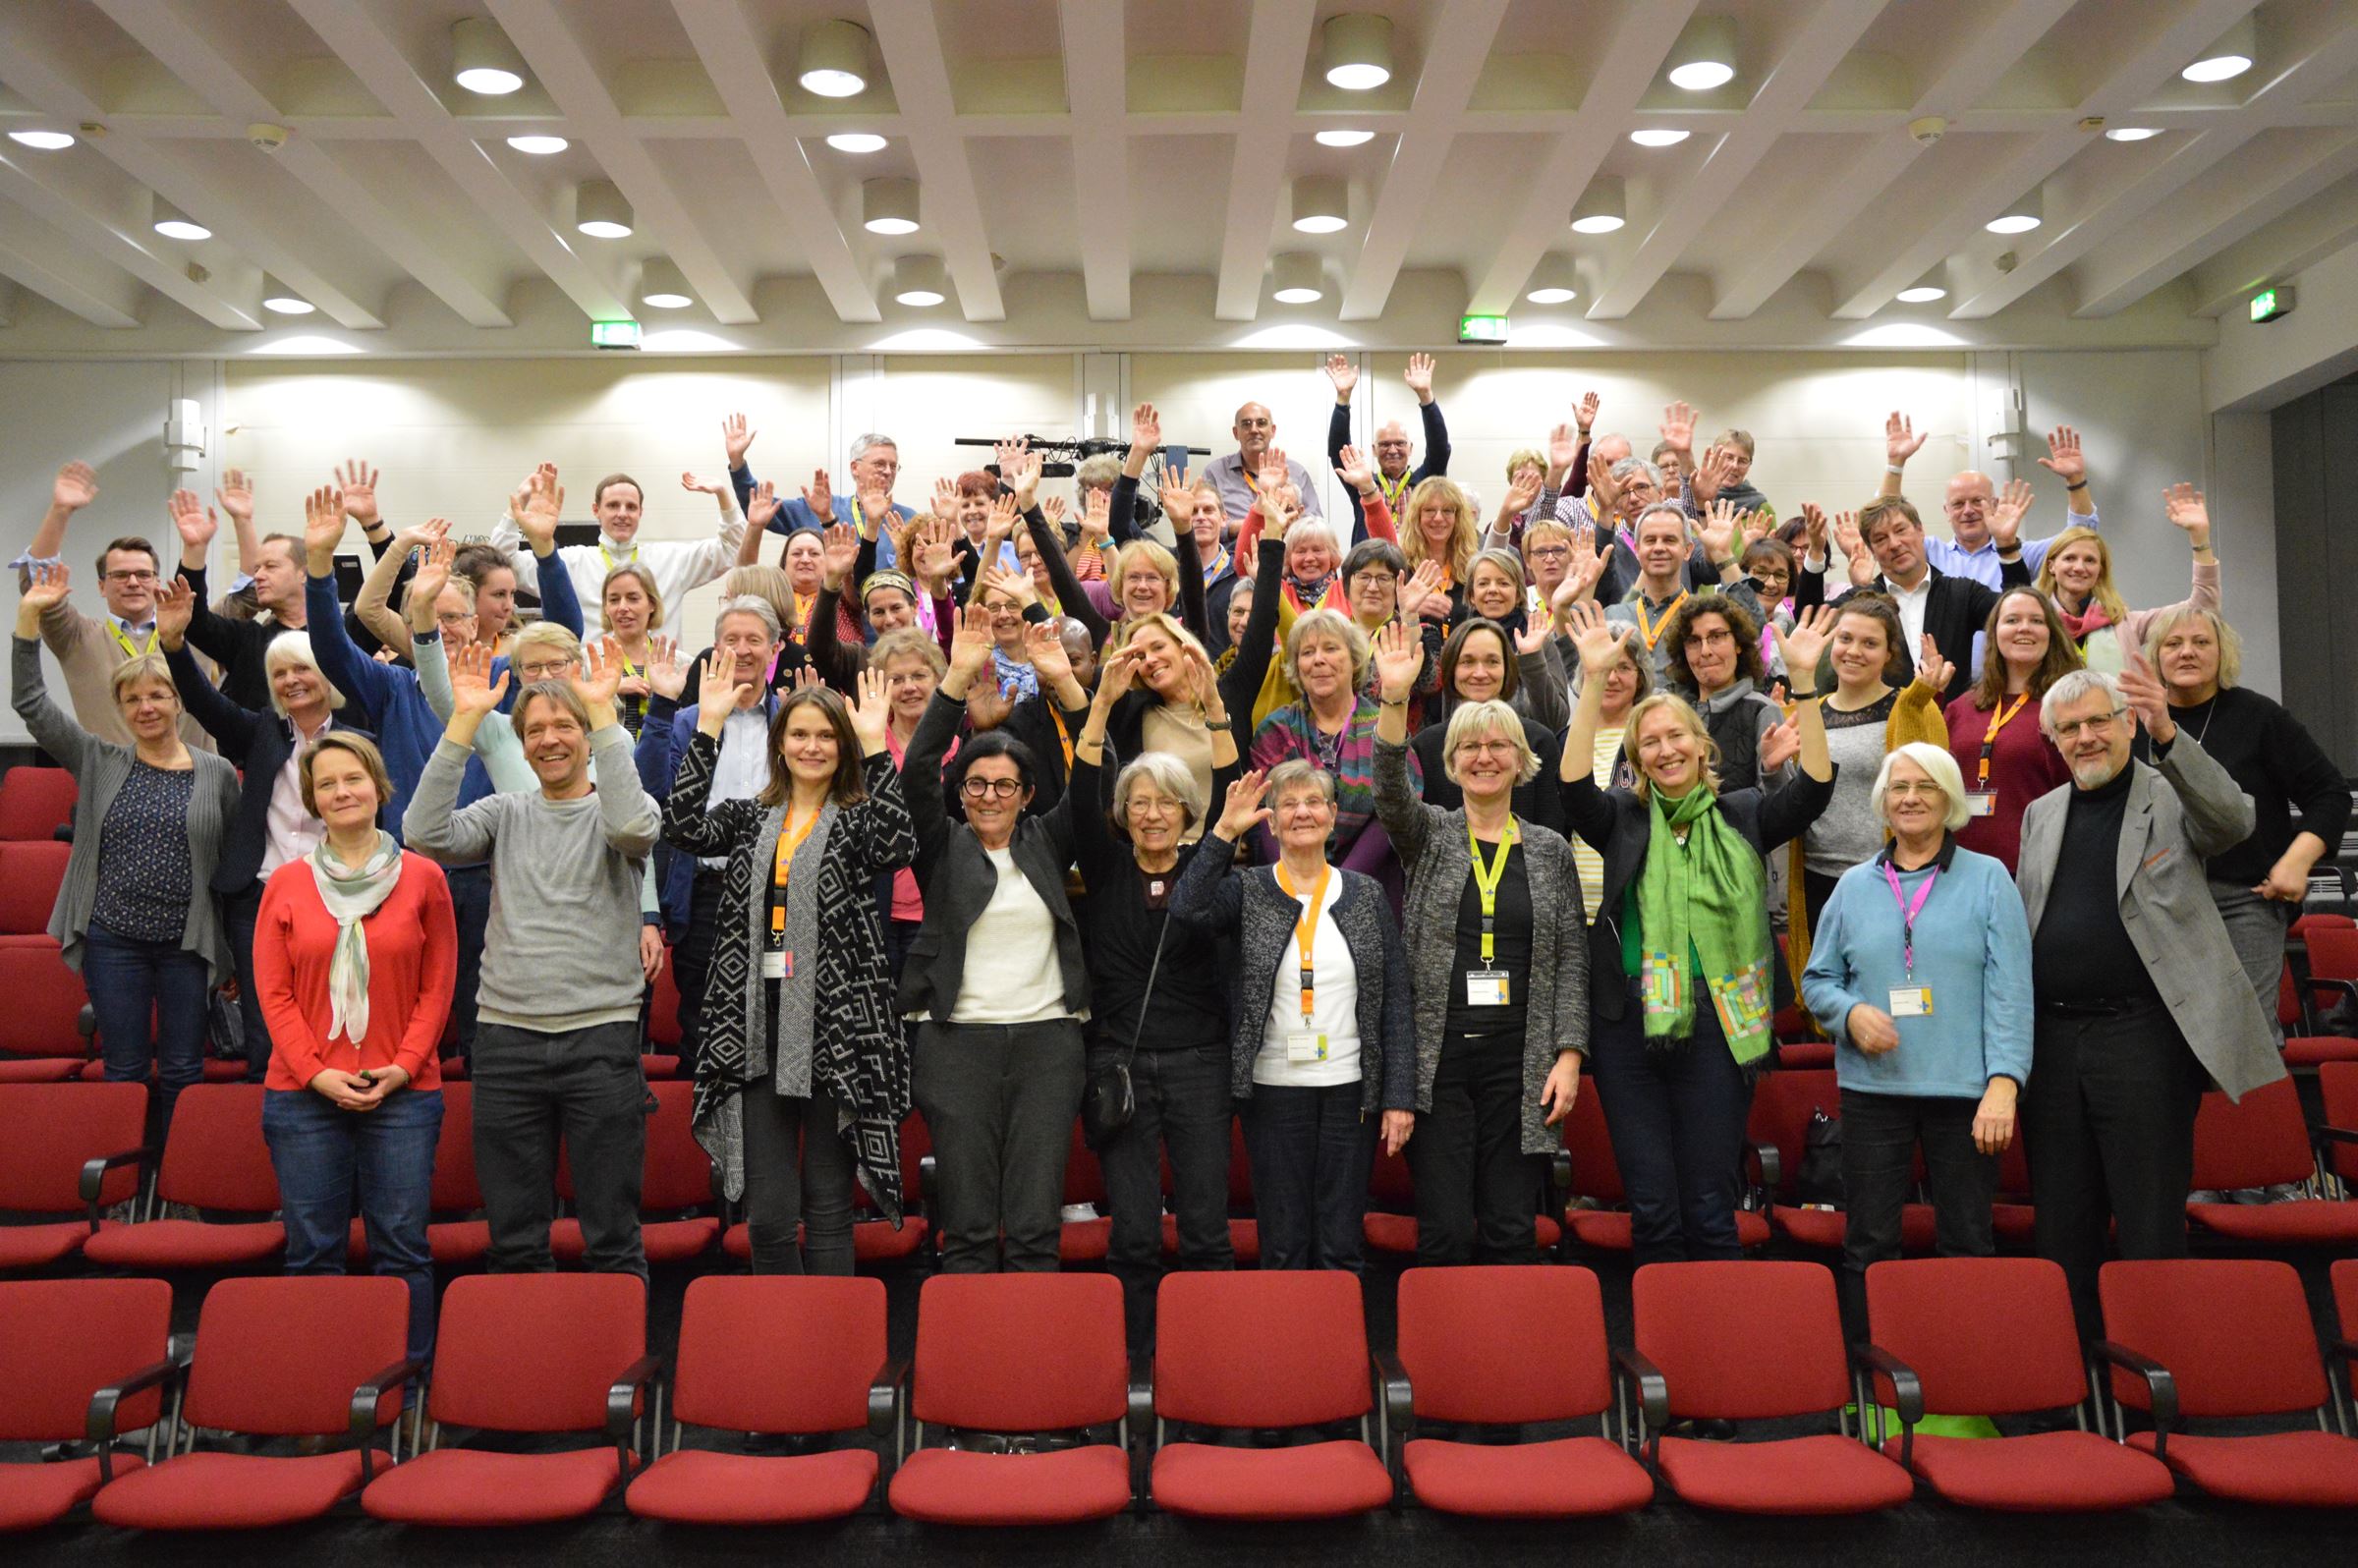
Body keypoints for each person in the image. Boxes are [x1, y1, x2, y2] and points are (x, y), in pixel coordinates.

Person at [1559, 602, 1836, 1262]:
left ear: (1701, 746)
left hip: (1720, 1023)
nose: (1664, 748)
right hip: (1630, 1028)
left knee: (1711, 1204)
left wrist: (1804, 684)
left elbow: (1816, 790)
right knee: (1652, 1205)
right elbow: (1572, 787)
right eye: (1648, 742)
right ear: (1638, 759)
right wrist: (1593, 681)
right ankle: (1658, 1344)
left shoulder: (1742, 814)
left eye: (1675, 736)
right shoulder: (1622, 819)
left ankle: (1720, 1355)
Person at [2016, 663, 2285, 1333]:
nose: (2084, 738)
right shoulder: (2040, 814)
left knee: (2148, 1219)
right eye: (2068, 729)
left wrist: (2170, 733)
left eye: (2097, 721)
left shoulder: (2171, 794)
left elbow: (2234, 821)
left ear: (2128, 722)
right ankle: (2073, 1385)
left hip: (2141, 1039)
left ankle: (2157, 1387)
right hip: (2051, 1045)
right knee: (2063, 1222)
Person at [404, 642, 661, 1278]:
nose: (549, 740)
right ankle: (526, 1374)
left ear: (587, 735)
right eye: (536, 730)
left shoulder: (619, 811)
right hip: (507, 1044)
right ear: (520, 745)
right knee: (516, 1242)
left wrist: (605, 718)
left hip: (600, 1042)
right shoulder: (504, 812)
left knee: (612, 1239)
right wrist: (463, 723)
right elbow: (423, 834)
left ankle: (614, 1370)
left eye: (564, 726)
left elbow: (634, 829)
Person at [659, 661, 914, 1276]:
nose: (812, 747)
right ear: (780, 744)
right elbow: (682, 825)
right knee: (768, 1217)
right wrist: (710, 725)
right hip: (754, 1030)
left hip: (835, 1033)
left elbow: (897, 844)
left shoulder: (855, 818)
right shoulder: (749, 818)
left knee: (827, 1209)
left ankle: (832, 1351)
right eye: (799, 734)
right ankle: (784, 1344)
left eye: (826, 736)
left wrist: (878, 746)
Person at [1372, 625, 1587, 1265]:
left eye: (1499, 745)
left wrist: (1569, 1056)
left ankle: (1511, 1362)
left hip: (1520, 1065)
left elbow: (1571, 955)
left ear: (1522, 761)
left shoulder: (1549, 851)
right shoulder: (1429, 835)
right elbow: (1387, 792)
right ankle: (1443, 1361)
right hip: (1440, 1065)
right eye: (1470, 746)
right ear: (1450, 760)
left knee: (1510, 1231)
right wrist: (1392, 699)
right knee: (1443, 1233)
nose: (1484, 756)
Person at [1800, 744, 2032, 1336]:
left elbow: (2011, 993)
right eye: (1899, 786)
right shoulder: (1853, 887)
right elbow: (1818, 980)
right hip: (1873, 1093)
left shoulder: (1990, 880)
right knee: (1869, 1241)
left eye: (1926, 787)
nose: (1910, 797)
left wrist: (2004, 1085)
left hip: (1967, 1094)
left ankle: (1970, 1382)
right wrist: (1850, 1015)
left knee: (1967, 1239)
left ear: (1949, 799)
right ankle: (1871, 1385)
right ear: (1883, 800)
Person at [253, 734, 455, 1369]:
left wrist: (403, 1067)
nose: (341, 792)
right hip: (304, 1097)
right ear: (312, 799)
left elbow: (438, 983)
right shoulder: (286, 883)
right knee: (312, 1251)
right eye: (327, 784)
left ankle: (409, 1384)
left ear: (378, 786)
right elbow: (273, 992)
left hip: (403, 1092)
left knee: (402, 1248)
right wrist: (316, 1075)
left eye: (353, 779)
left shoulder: (424, 877)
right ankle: (320, 1383)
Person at [899, 607, 1092, 1274]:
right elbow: (918, 771)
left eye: (1005, 785)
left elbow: (1099, 778)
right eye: (977, 784)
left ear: (1027, 794)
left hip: (1048, 1044)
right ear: (963, 794)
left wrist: (1066, 686)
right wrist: (953, 682)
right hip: (957, 1046)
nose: (989, 796)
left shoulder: (1048, 840)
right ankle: (968, 1370)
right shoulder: (940, 846)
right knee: (971, 1229)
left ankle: (1032, 1374)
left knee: (1037, 1226)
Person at [14, 563, 240, 1128]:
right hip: (114, 941)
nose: (146, 707)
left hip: (187, 945)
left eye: (159, 694)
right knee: (125, 1068)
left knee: (186, 1068)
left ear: (178, 701)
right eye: (133, 698)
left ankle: (176, 1181)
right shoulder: (99, 760)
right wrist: (26, 622)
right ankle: (124, 1182)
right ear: (121, 708)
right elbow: (33, 706)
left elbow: (233, 867)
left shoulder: (216, 774)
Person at [1068, 641, 1242, 1354]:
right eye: (1139, 803)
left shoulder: (1210, 868)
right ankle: (1134, 1366)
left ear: (1188, 811)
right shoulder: (1105, 869)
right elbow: (1082, 793)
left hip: (1201, 1065)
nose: (1152, 814)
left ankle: (1213, 1364)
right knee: (1135, 1233)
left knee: (1205, 1229)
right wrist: (1102, 703)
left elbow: (1234, 791)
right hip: (1122, 1065)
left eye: (1167, 803)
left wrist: (1217, 711)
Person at [1172, 763, 1414, 1273]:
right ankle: (1287, 1349)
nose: (1302, 811)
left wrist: (1398, 1096)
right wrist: (1222, 832)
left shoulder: (1366, 893)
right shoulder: (1249, 888)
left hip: (1351, 1088)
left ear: (1332, 816)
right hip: (1272, 1089)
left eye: (1314, 801)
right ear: (1273, 823)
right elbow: (1186, 910)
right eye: (1288, 804)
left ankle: (1341, 1348)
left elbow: (1394, 999)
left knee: (1341, 1241)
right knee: (1282, 1242)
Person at [157, 578, 367, 1082]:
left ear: (325, 675)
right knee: (264, 1022)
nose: (290, 680)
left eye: (301, 669)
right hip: (260, 896)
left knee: (330, 1016)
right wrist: (173, 645)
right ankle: (266, 1121)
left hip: (337, 895)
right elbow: (203, 702)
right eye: (279, 674)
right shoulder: (261, 732)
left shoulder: (361, 740)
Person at [2139, 606, 2350, 1028]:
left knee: (2243, 1036)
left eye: (2201, 642)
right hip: (2159, 903)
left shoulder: (2261, 717)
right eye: (2174, 644)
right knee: (2161, 1038)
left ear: (2223, 653)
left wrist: (2296, 861)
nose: (2187, 653)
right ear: (2155, 656)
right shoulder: (2133, 722)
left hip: (2244, 900)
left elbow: (2329, 794)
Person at [636, 596, 789, 1069]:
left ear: (775, 648)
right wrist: (661, 706)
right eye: (731, 640)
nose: (742, 650)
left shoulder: (793, 721)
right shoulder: (687, 722)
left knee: (777, 1007)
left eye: (754, 640)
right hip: (706, 895)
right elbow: (651, 791)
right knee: (700, 1016)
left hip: (780, 895)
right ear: (716, 648)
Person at [1792, 595, 1949, 952]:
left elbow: (1936, 794)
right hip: (1817, 877)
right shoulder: (1808, 709)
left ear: (1889, 653)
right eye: (1845, 638)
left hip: (1888, 876)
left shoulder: (1911, 707)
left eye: (1870, 643)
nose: (1854, 651)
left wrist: (1916, 701)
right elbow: (1795, 797)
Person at [14, 462, 209, 750]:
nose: (132, 582)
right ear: (101, 586)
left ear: (157, 582)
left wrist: (199, 547)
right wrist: (60, 511)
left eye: (143, 575)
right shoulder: (77, 637)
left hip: (196, 785)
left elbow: (247, 597)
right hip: (113, 784)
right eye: (119, 575)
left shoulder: (196, 632)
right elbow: (37, 586)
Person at [1250, 609, 1420, 897]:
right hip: (1286, 888)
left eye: (1331, 648)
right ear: (1296, 666)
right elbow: (1265, 812)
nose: (1319, 660)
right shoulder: (1276, 729)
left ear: (1354, 660)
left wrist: (1339, 885)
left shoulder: (1384, 725)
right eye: (1307, 652)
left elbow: (1394, 811)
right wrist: (1292, 880)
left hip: (1368, 887)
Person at [1799, 494, 2019, 703]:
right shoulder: (1862, 602)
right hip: (1883, 730)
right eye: (1880, 538)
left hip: (1949, 730)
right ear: (1872, 551)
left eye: (1900, 530)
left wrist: (2007, 546)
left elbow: (2017, 615)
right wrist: (1817, 552)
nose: (1894, 544)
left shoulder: (1962, 592)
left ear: (1920, 531)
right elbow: (1809, 623)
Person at [1941, 587, 2079, 872]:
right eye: (2012, 620)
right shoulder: (1961, 708)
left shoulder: (2071, 705)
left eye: (2037, 621)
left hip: (2037, 869)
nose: (2024, 628)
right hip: (1958, 867)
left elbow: (2083, 787)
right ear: (1994, 633)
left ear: (2052, 633)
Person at [493, 461, 743, 614]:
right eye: (613, 505)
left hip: (658, 689)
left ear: (640, 513)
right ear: (596, 511)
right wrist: (519, 501)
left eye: (631, 507)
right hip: (592, 689)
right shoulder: (570, 563)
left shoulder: (671, 559)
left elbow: (733, 550)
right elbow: (499, 565)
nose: (622, 514)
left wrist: (723, 495)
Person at [1879, 416, 2100, 587]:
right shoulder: (1929, 552)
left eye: (1977, 501)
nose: (1968, 511)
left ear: (1994, 505)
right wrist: (1895, 465)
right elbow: (1883, 523)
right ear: (1946, 511)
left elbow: (2081, 537)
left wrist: (2075, 479)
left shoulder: (2020, 554)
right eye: (1958, 504)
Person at [2033, 483, 2220, 673]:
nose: (2079, 567)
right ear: (2051, 566)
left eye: (2090, 560)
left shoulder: (2125, 624)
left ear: (2100, 571)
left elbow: (2202, 609)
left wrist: (2200, 538)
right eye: (2070, 558)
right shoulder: (2036, 621)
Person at [1410, 618, 1566, 836]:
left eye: (1492, 662)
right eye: (1467, 662)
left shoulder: (1538, 741)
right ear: (1451, 669)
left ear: (1507, 669)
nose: (1480, 673)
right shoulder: (1425, 747)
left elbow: (1555, 833)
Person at [170, 491, 309, 714]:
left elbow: (378, 610)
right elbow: (194, 621)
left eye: (271, 566)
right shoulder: (246, 640)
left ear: (304, 574)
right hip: (259, 747)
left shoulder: (338, 635)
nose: (259, 576)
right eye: (257, 569)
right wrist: (195, 550)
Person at [1604, 501, 1764, 682]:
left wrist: (1722, 554)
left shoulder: (1704, 615)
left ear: (1687, 551)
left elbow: (1753, 626)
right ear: (1637, 550)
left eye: (1669, 540)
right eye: (1650, 540)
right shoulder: (1613, 616)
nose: (1658, 548)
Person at [736, 423, 918, 572]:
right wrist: (737, 463)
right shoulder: (821, 508)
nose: (887, 471)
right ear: (855, 468)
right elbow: (756, 505)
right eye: (880, 464)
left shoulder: (907, 519)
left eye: (893, 466)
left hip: (889, 614)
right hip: (829, 613)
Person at [1662, 590, 1785, 791]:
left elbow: (1780, 803)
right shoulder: (1670, 710)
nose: (1705, 651)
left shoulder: (1762, 710)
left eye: (1716, 636)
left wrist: (1773, 772)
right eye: (1693, 641)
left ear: (1738, 643)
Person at [1324, 353, 1450, 543]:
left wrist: (1426, 397)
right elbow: (1338, 451)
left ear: (1410, 448)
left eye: (1399, 443)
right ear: (1374, 450)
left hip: (1416, 563)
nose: (1392, 450)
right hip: (1372, 565)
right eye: (1384, 445)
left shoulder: (1425, 482)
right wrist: (1343, 399)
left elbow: (1439, 448)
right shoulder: (1363, 484)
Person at [1204, 401, 1323, 529]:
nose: (1254, 430)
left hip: (1286, 546)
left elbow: (1315, 523)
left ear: (1273, 431)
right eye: (1246, 424)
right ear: (1236, 433)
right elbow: (1203, 524)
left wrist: (1284, 523)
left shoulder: (1296, 472)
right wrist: (1249, 525)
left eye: (1261, 423)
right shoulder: (1215, 472)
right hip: (1234, 547)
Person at [590, 563, 665, 737]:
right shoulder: (587, 662)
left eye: (633, 598)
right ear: (606, 608)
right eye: (614, 600)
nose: (623, 608)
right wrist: (611, 690)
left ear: (652, 604)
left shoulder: (677, 663)